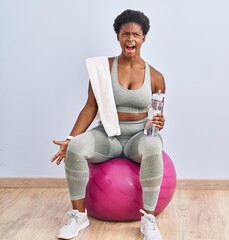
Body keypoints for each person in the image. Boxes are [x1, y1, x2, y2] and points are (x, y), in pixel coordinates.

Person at [51, 9, 166, 240]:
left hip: (138, 138)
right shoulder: (103, 69)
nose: (130, 39)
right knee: (77, 147)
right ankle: (78, 215)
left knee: (153, 146)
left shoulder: (156, 77)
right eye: (125, 34)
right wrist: (71, 138)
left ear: (144, 38)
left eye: (135, 34)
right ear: (117, 36)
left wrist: (160, 122)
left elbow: (157, 114)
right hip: (109, 135)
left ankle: (149, 219)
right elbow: (90, 107)